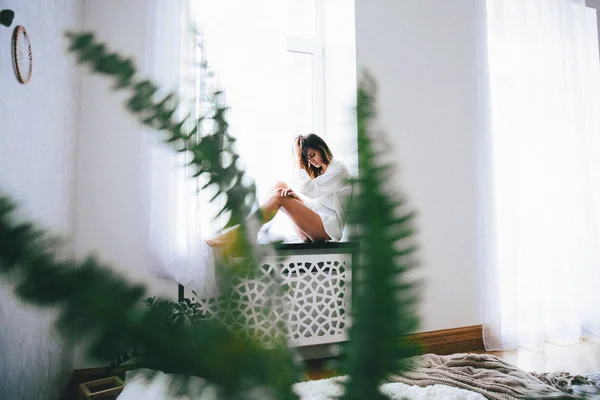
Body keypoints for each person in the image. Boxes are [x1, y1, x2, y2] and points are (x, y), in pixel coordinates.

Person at [206, 133, 352, 247]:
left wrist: (298, 159)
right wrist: (298, 199)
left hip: (327, 229)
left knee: (278, 197)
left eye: (312, 155)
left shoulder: (339, 170)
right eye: (307, 159)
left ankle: (243, 233)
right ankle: (251, 230)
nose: (311, 161)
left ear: (321, 147)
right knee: (278, 186)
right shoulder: (323, 171)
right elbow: (319, 204)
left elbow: (309, 190)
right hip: (317, 224)